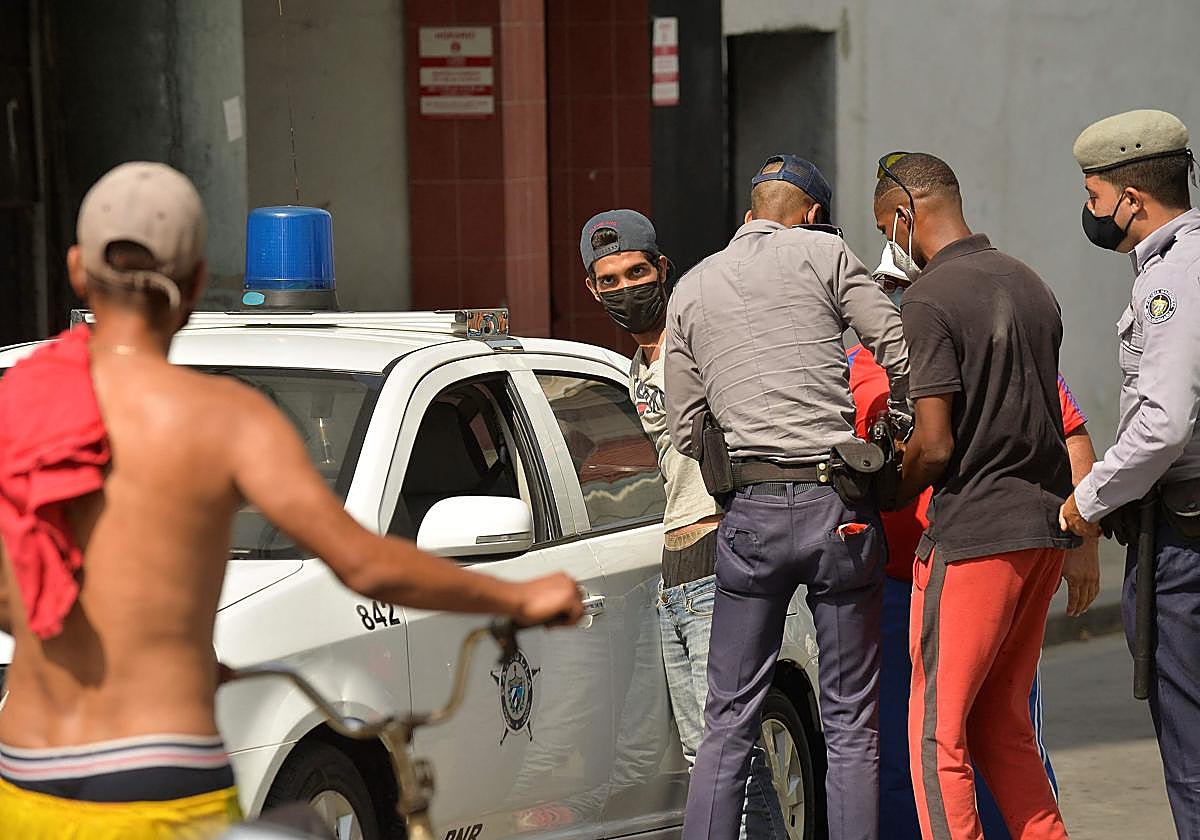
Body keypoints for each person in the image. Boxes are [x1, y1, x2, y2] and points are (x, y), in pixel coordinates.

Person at [0, 162, 583, 839]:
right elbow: (364, 563)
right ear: (196, 281)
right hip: (158, 774)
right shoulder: (225, 419)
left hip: (26, 770)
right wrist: (520, 597)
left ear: (77, 271)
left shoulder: (17, 399)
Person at [666, 153, 910, 840]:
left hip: (751, 517)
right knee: (851, 721)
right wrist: (895, 426)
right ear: (812, 215)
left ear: (750, 213)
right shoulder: (825, 254)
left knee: (727, 721)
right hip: (839, 511)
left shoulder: (692, 287)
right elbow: (899, 348)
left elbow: (684, 428)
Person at [874, 151, 1075, 840]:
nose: (889, 244)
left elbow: (934, 444)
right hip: (1043, 532)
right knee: (1002, 726)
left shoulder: (928, 298)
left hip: (972, 539)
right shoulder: (1029, 281)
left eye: (885, 226)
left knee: (936, 735)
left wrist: (888, 490)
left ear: (905, 213)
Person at [578, 209, 788, 839]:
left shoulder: (695, 344)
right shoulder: (638, 368)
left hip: (718, 555)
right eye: (610, 280)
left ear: (662, 268)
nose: (625, 289)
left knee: (717, 754)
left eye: (636, 273)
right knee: (720, 752)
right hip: (675, 571)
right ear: (592, 288)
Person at [847, 342, 1099, 839]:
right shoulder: (855, 363)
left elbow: (1070, 433)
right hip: (890, 586)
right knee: (899, 751)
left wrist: (1084, 540)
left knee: (997, 733)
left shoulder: (992, 340)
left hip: (981, 573)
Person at [1058, 109, 1200, 838]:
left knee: (1193, 753)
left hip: (1186, 535)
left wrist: (1086, 500)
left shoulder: (1169, 279)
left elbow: (1163, 423)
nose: (1090, 211)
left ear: (1132, 199)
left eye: (1094, 196)